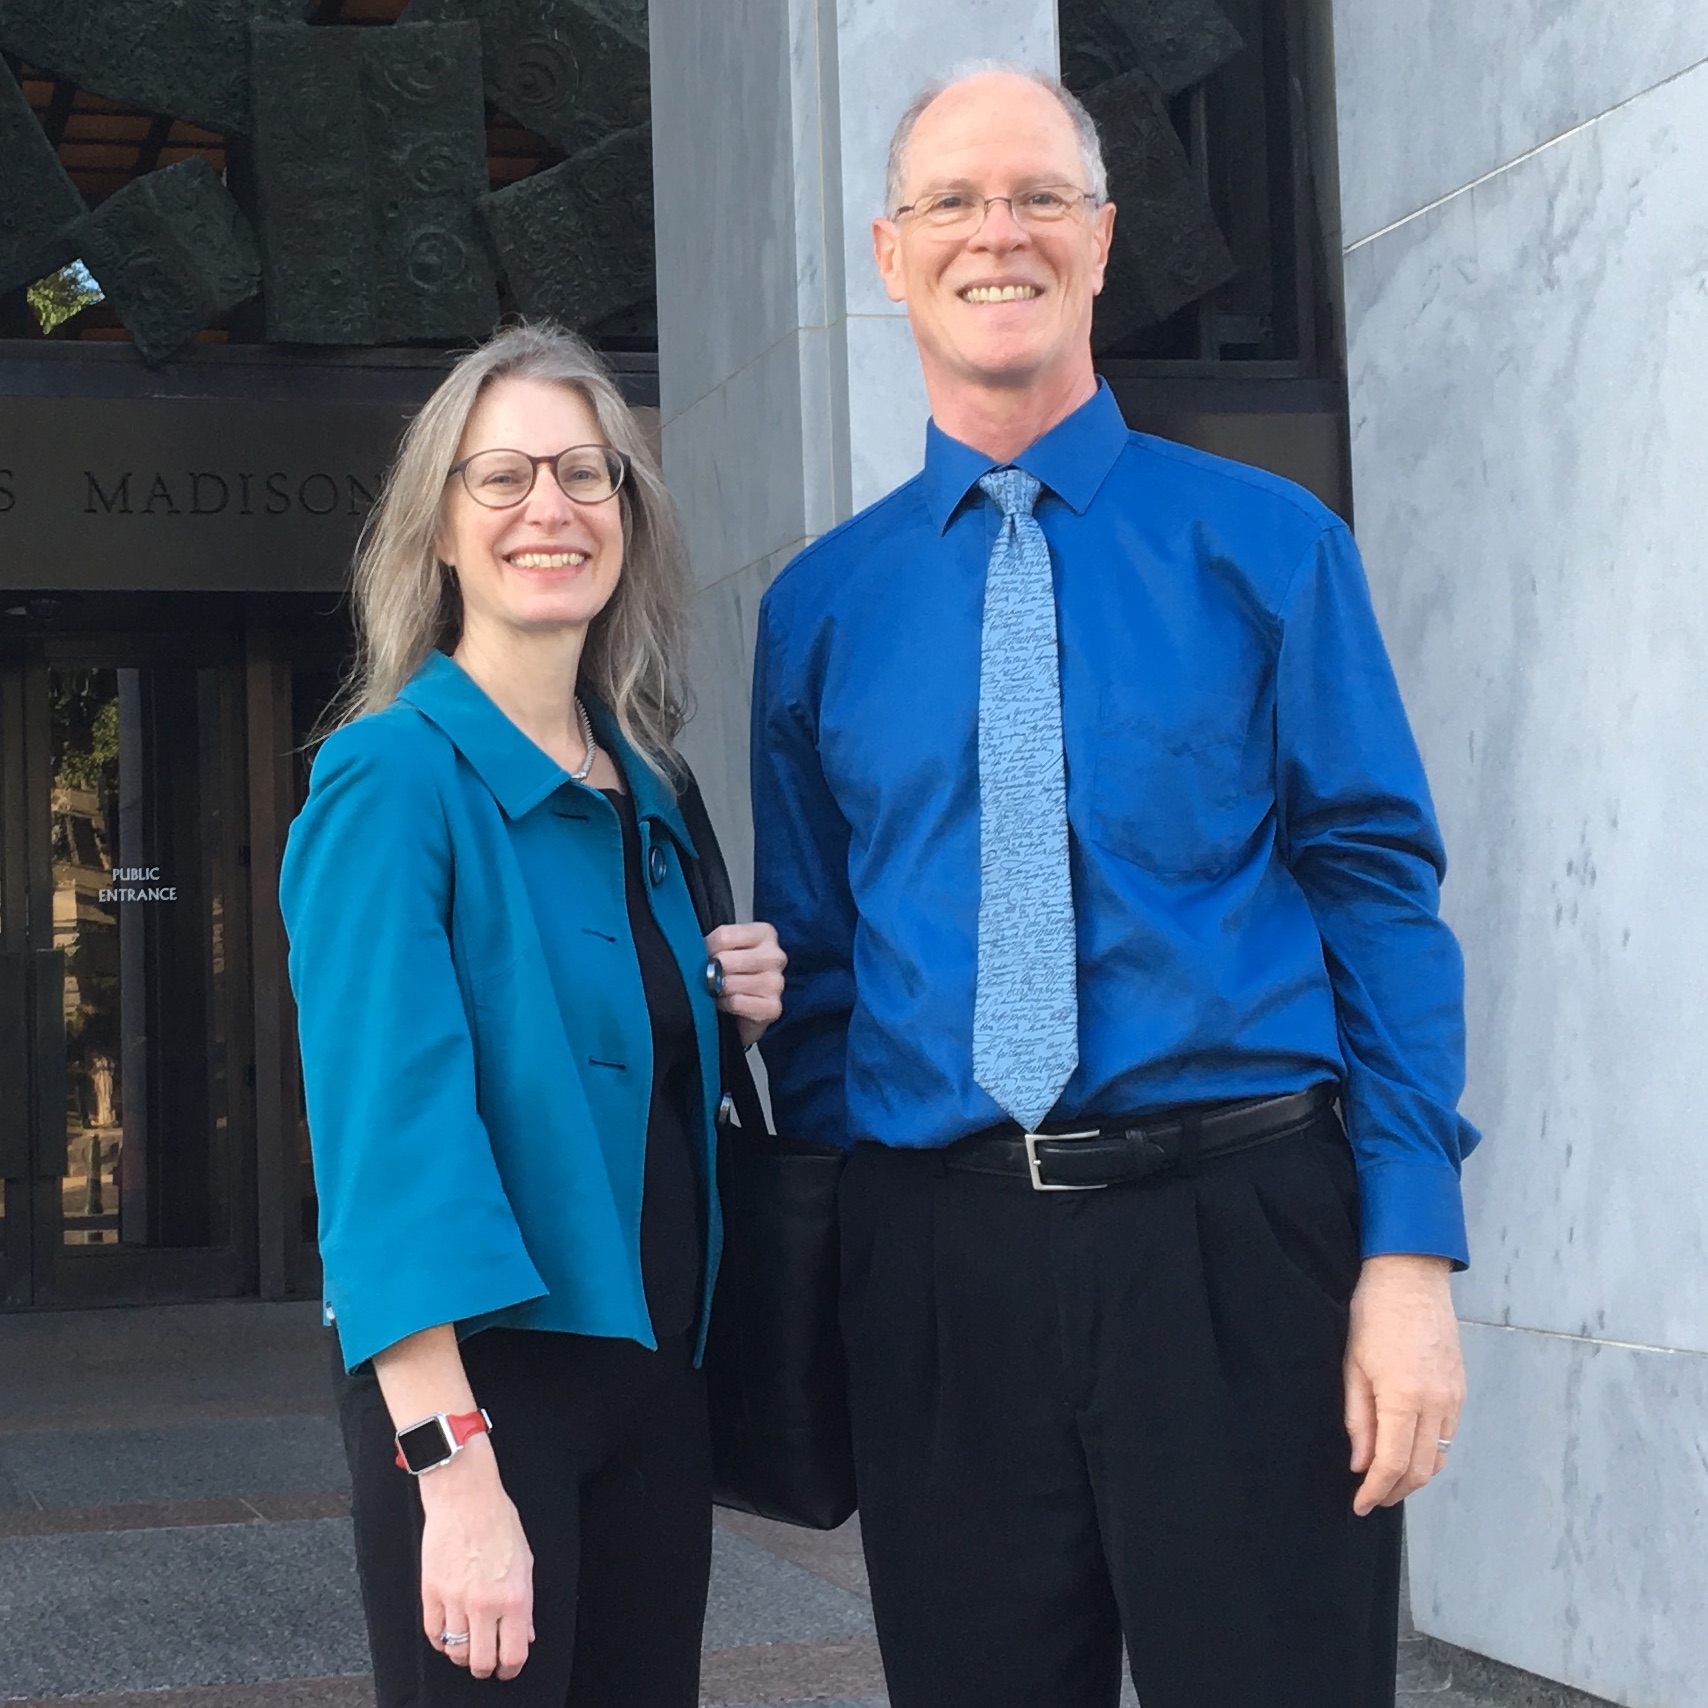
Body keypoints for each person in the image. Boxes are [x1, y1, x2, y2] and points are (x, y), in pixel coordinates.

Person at [751, 64, 1478, 1708]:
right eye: (951, 201)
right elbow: (818, 961)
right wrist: (857, 1250)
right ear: (888, 251)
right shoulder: (820, 608)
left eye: (1037, 199)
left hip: (1238, 1245)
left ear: (1100, 241)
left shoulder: (1270, 545)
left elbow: (1374, 893)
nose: (993, 234)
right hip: (940, 1267)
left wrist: (1409, 1252)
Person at [280, 322, 785, 1708]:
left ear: (628, 511)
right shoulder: (391, 782)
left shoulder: (650, 788)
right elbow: (390, 1148)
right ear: (437, 527)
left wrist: (725, 1013)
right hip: (484, 1391)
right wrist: (455, 1474)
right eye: (499, 477)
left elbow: (600, 1057)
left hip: (654, 1385)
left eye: (584, 472)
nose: (547, 509)